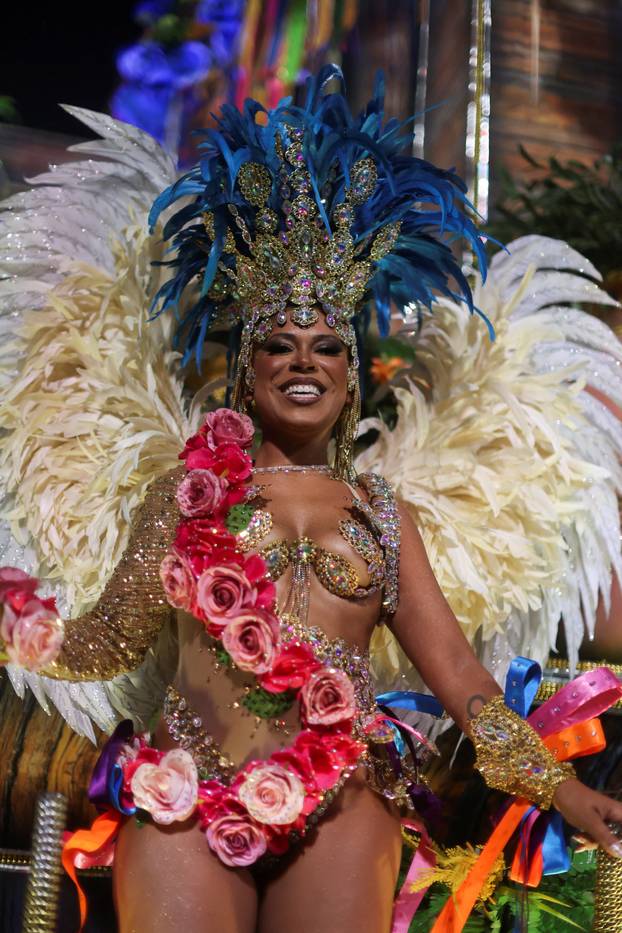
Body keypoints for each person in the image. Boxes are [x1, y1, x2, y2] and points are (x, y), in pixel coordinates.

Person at [16, 67, 622, 932]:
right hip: (188, 796)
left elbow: (461, 680)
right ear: (249, 367)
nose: (304, 360)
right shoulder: (184, 493)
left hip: (340, 806)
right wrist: (24, 625)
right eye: (280, 343)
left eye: (327, 345)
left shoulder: (381, 511)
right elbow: (107, 639)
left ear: (349, 376)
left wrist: (559, 785)